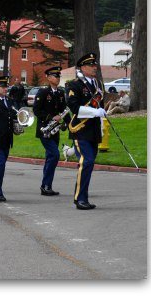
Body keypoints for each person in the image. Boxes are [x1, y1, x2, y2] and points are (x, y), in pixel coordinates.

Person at [67, 53, 106, 210]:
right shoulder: (74, 85)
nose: (94, 67)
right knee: (87, 161)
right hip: (80, 129)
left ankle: (83, 197)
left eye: (95, 65)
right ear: (83, 67)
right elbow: (74, 107)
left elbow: (100, 105)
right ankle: (80, 198)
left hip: (94, 131)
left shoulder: (98, 84)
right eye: (91, 65)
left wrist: (101, 114)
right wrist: (94, 112)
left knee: (89, 165)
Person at [33, 67, 70, 196]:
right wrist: (50, 117)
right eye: (55, 76)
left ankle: (46, 186)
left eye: (59, 76)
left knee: (50, 157)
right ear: (48, 78)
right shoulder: (43, 92)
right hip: (45, 130)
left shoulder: (60, 93)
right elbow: (37, 111)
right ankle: (46, 185)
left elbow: (63, 109)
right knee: (54, 155)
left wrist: (68, 123)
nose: (58, 78)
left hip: (55, 130)